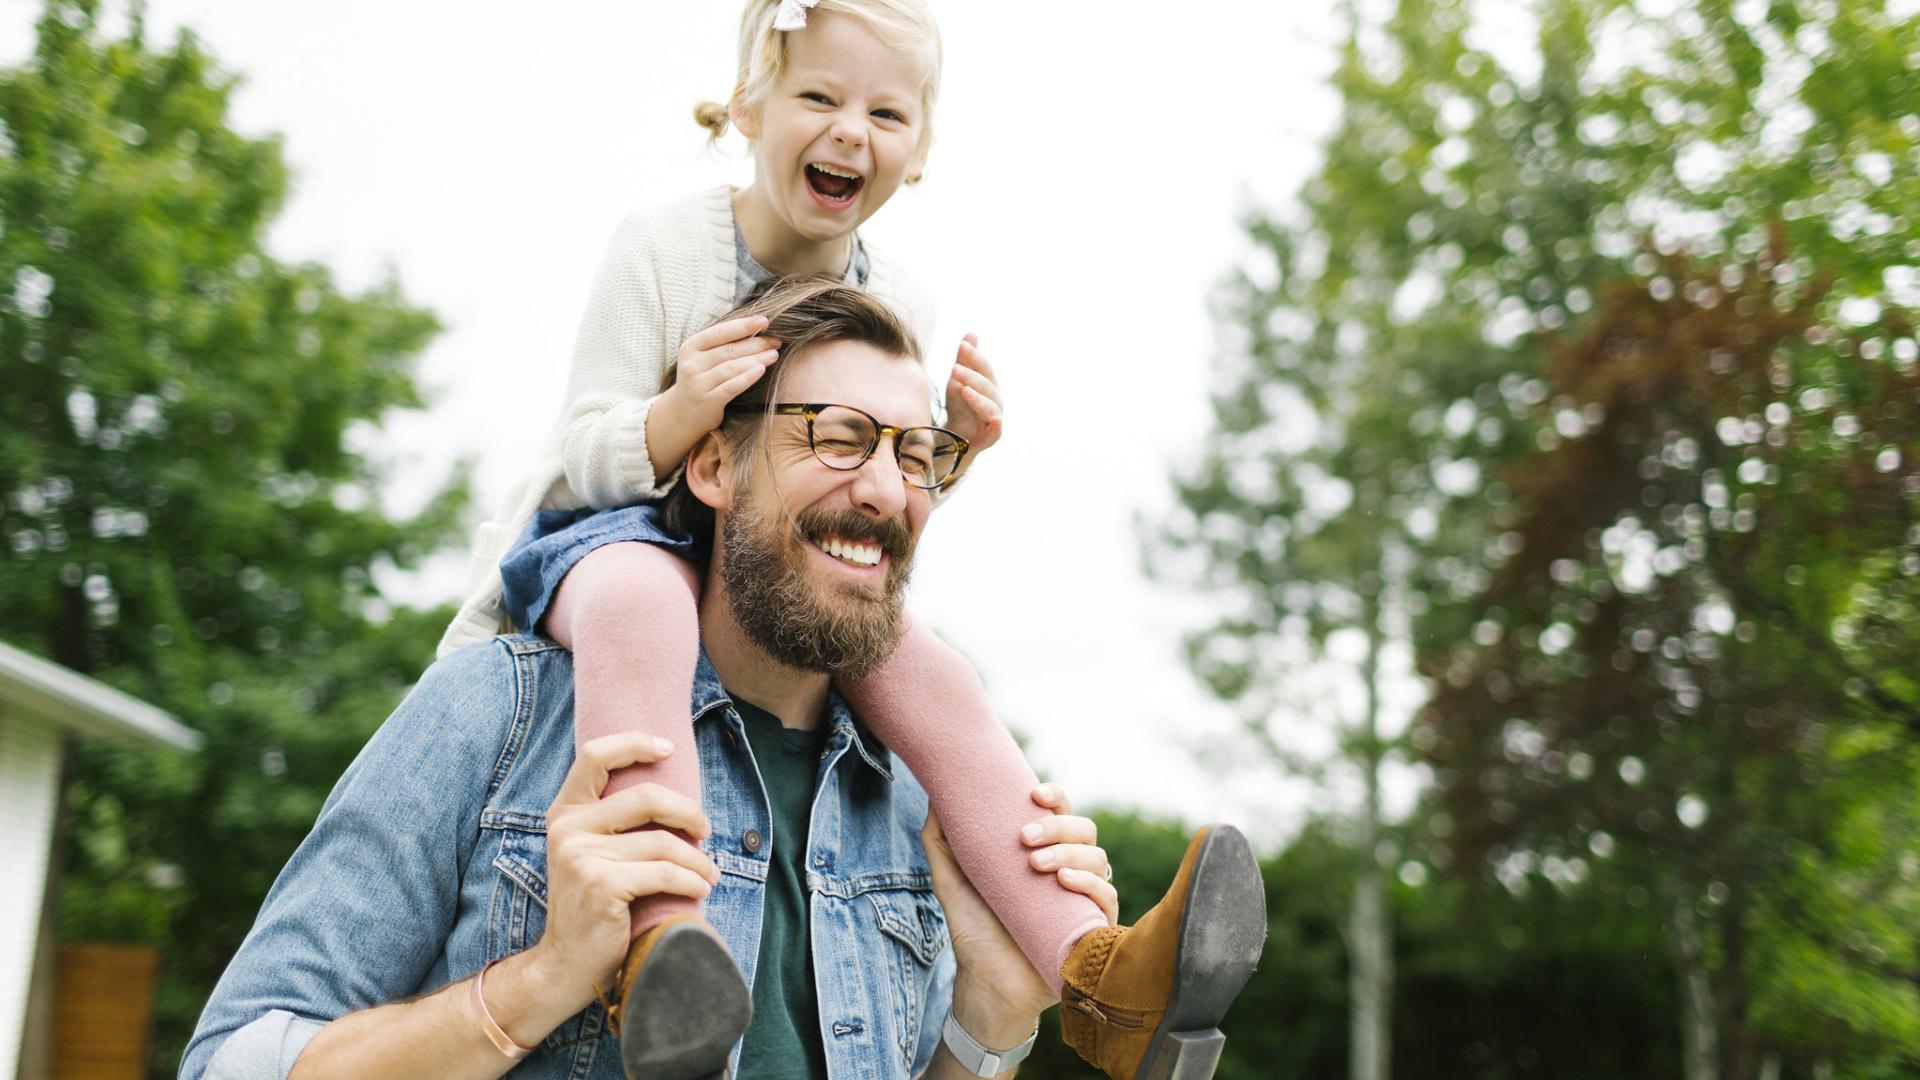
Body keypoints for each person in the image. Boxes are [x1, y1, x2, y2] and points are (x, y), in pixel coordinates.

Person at [425, 2, 1269, 1077]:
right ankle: (661, 951)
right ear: (748, 107)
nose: (849, 130)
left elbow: (849, 511)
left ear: (917, 154)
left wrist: (944, 454)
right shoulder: (665, 248)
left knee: (934, 668)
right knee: (643, 593)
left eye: (885, 111)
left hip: (757, 566)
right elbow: (587, 446)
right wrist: (686, 406)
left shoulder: (897, 298)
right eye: (819, 97)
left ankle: (1101, 981)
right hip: (605, 540)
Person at [182, 280, 1266, 1080]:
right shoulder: (500, 714)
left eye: (916, 453)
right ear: (711, 464)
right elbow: (230, 1064)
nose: (887, 488)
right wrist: (538, 983)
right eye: (839, 437)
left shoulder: (925, 802)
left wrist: (988, 1016)